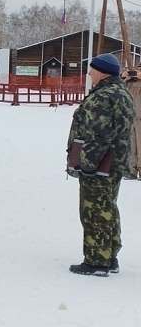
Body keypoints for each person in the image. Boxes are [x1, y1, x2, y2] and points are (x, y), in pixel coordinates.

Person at [67, 53, 134, 276]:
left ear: (102, 72)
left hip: (100, 165)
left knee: (94, 211)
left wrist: (87, 163)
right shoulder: (120, 92)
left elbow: (98, 135)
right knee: (108, 208)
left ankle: (96, 261)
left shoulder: (104, 96)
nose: (89, 73)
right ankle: (110, 255)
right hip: (114, 162)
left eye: (92, 70)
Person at [120, 63, 141, 178]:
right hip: (131, 116)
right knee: (131, 144)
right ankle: (131, 169)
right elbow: (119, 87)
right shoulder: (130, 82)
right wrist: (123, 77)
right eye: (137, 69)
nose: (137, 72)